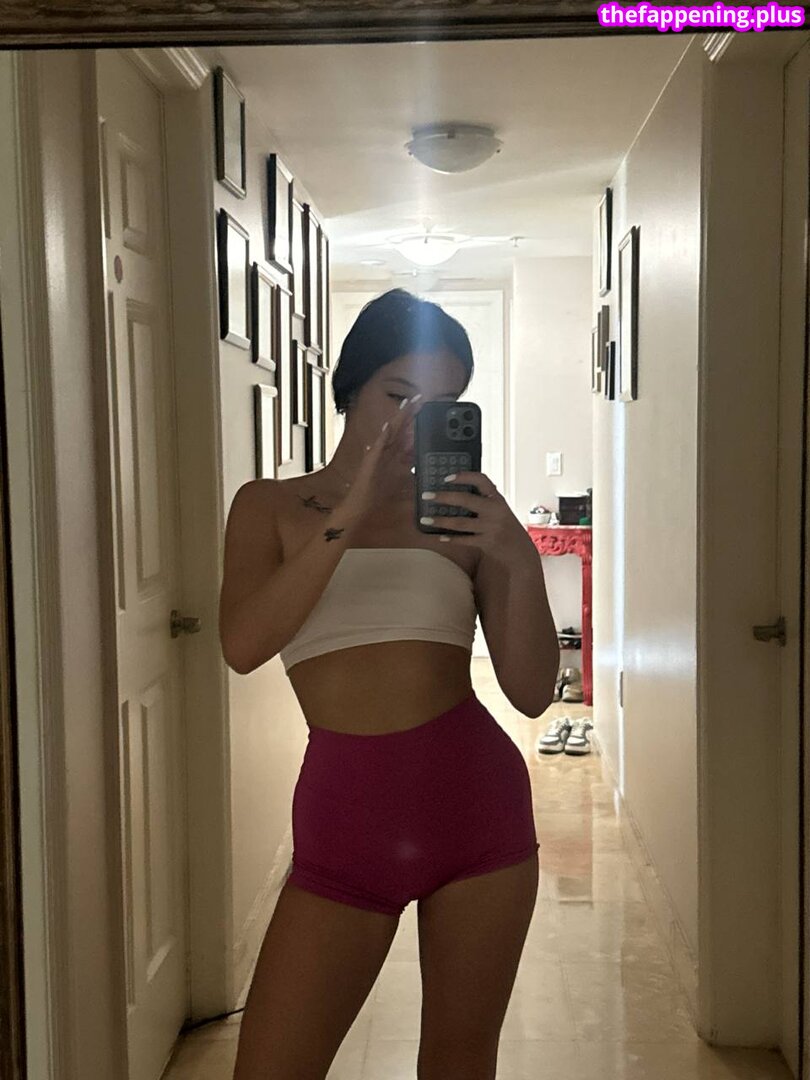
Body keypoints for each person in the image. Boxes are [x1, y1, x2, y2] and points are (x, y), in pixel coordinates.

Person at [219, 288, 560, 1080]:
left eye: (441, 406)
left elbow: (533, 691)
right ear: (350, 388)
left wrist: (517, 557)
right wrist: (352, 509)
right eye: (398, 396)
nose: (411, 423)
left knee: (459, 1063)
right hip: (345, 825)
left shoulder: (464, 519)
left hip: (477, 810)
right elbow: (243, 646)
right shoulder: (269, 507)